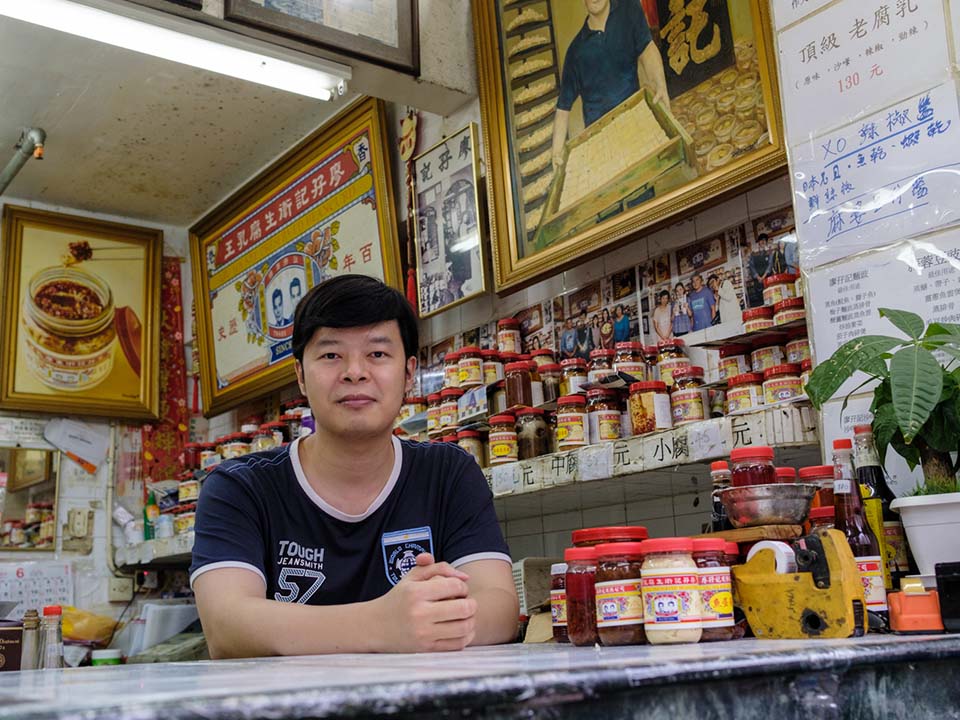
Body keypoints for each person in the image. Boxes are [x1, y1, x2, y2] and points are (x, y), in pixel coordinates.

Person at [191, 275, 518, 658]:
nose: (355, 372)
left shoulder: (449, 473)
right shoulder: (239, 487)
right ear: (300, 375)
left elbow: (501, 607)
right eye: (331, 355)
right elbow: (227, 627)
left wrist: (430, 621)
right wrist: (383, 624)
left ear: (409, 373)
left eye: (377, 354)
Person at [552, 0, 670, 170]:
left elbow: (647, 48)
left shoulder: (629, 9)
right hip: (600, 145)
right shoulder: (576, 52)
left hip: (635, 127)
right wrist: (556, 153)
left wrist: (660, 85)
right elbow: (563, 109)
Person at [748, 234, 772, 306]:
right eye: (761, 240)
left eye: (764, 240)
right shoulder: (753, 253)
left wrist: (764, 276)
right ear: (758, 242)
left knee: (770, 297)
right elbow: (751, 266)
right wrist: (758, 277)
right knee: (760, 299)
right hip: (757, 280)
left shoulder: (769, 252)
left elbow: (770, 264)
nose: (763, 242)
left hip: (767, 278)